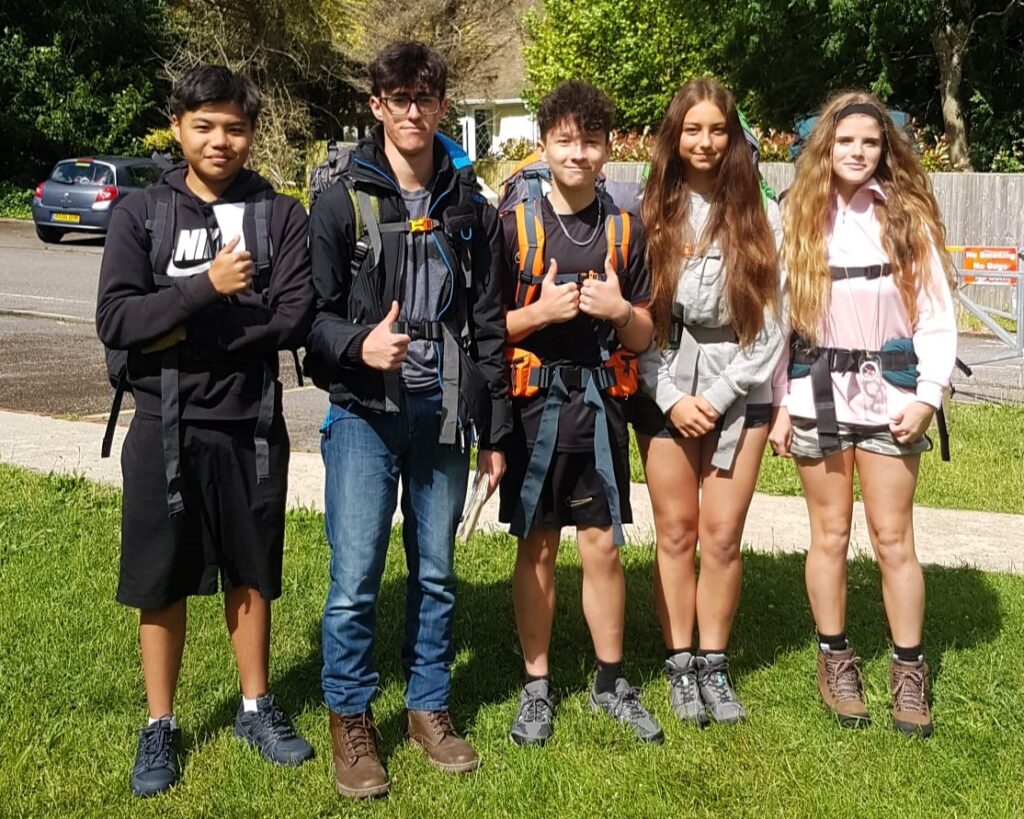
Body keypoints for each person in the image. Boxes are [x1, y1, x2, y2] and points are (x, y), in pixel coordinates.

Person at [96, 65, 315, 798]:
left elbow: (292, 315)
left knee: (250, 570)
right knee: (161, 577)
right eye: (205, 124)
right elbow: (117, 321)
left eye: (235, 126)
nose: (221, 139)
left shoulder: (278, 215)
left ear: (251, 133)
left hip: (250, 422)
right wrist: (204, 290)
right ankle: (160, 721)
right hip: (162, 423)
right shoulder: (142, 213)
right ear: (178, 126)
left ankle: (256, 705)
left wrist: (177, 327)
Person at [305, 41, 508, 798]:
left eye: (425, 97)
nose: (413, 111)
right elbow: (309, 321)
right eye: (398, 97)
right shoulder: (340, 200)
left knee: (437, 572)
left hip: (445, 414)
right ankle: (351, 718)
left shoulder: (467, 206)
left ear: (443, 106)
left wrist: (496, 431)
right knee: (355, 577)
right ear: (376, 106)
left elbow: (488, 324)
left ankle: (428, 705)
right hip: (363, 414)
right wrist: (360, 343)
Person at [768, 91, 957, 738]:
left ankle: (909, 668)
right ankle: (835, 657)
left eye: (870, 143)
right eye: (845, 141)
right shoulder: (797, 216)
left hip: (893, 395)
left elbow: (935, 312)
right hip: (815, 390)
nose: (857, 152)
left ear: (886, 149)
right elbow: (777, 320)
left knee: (893, 537)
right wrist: (777, 407)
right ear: (826, 144)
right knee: (829, 534)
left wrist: (928, 395)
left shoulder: (907, 217)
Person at [499, 81, 661, 747]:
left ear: (608, 147)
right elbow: (487, 328)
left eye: (590, 141)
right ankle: (537, 686)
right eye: (565, 140)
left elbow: (646, 334)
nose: (578, 153)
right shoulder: (512, 226)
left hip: (599, 412)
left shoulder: (626, 229)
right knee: (536, 546)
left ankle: (609, 680)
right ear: (544, 146)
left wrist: (620, 312)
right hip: (533, 412)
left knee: (602, 547)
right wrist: (540, 313)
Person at [631, 78, 784, 726]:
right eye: (693, 129)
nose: (704, 141)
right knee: (676, 532)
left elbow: (775, 325)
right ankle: (679, 663)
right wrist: (668, 394)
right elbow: (633, 319)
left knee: (720, 536)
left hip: (738, 382)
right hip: (663, 374)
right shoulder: (649, 210)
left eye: (717, 130)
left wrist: (718, 395)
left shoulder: (760, 211)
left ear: (733, 136)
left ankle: (714, 666)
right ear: (675, 134)